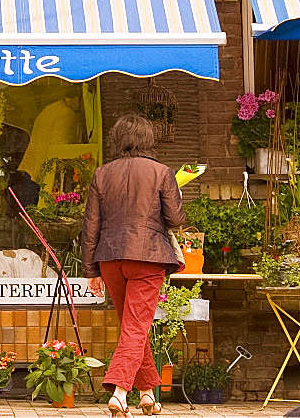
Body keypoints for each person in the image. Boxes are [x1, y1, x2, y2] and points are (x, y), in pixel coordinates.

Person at [81, 114, 185, 417]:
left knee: (132, 327)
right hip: (149, 256)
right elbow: (176, 219)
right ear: (148, 139)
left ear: (119, 139)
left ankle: (147, 393)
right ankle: (119, 391)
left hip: (111, 258)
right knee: (137, 327)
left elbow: (90, 227)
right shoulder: (161, 172)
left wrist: (92, 271)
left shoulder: (102, 174)